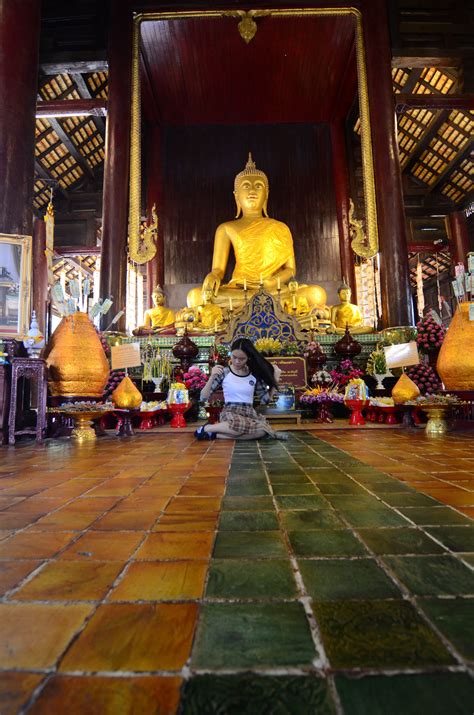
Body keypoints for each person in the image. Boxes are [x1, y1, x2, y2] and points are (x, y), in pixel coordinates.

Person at [186, 154, 327, 313]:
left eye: (258, 186)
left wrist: (272, 282)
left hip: (273, 290)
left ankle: (242, 310)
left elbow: (291, 270)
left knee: (315, 294)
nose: (252, 190)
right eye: (246, 186)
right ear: (236, 196)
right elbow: (218, 269)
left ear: (266, 194)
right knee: (195, 296)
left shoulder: (280, 227)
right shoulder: (226, 228)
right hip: (239, 290)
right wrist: (213, 276)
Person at [195, 337, 288, 440]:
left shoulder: (254, 374)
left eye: (242, 358)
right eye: (234, 357)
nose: (237, 361)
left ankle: (213, 434)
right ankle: (208, 428)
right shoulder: (225, 372)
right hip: (230, 412)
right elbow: (203, 397)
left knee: (262, 431)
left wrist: (275, 378)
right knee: (238, 426)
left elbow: (265, 400)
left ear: (249, 357)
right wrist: (211, 377)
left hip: (249, 413)